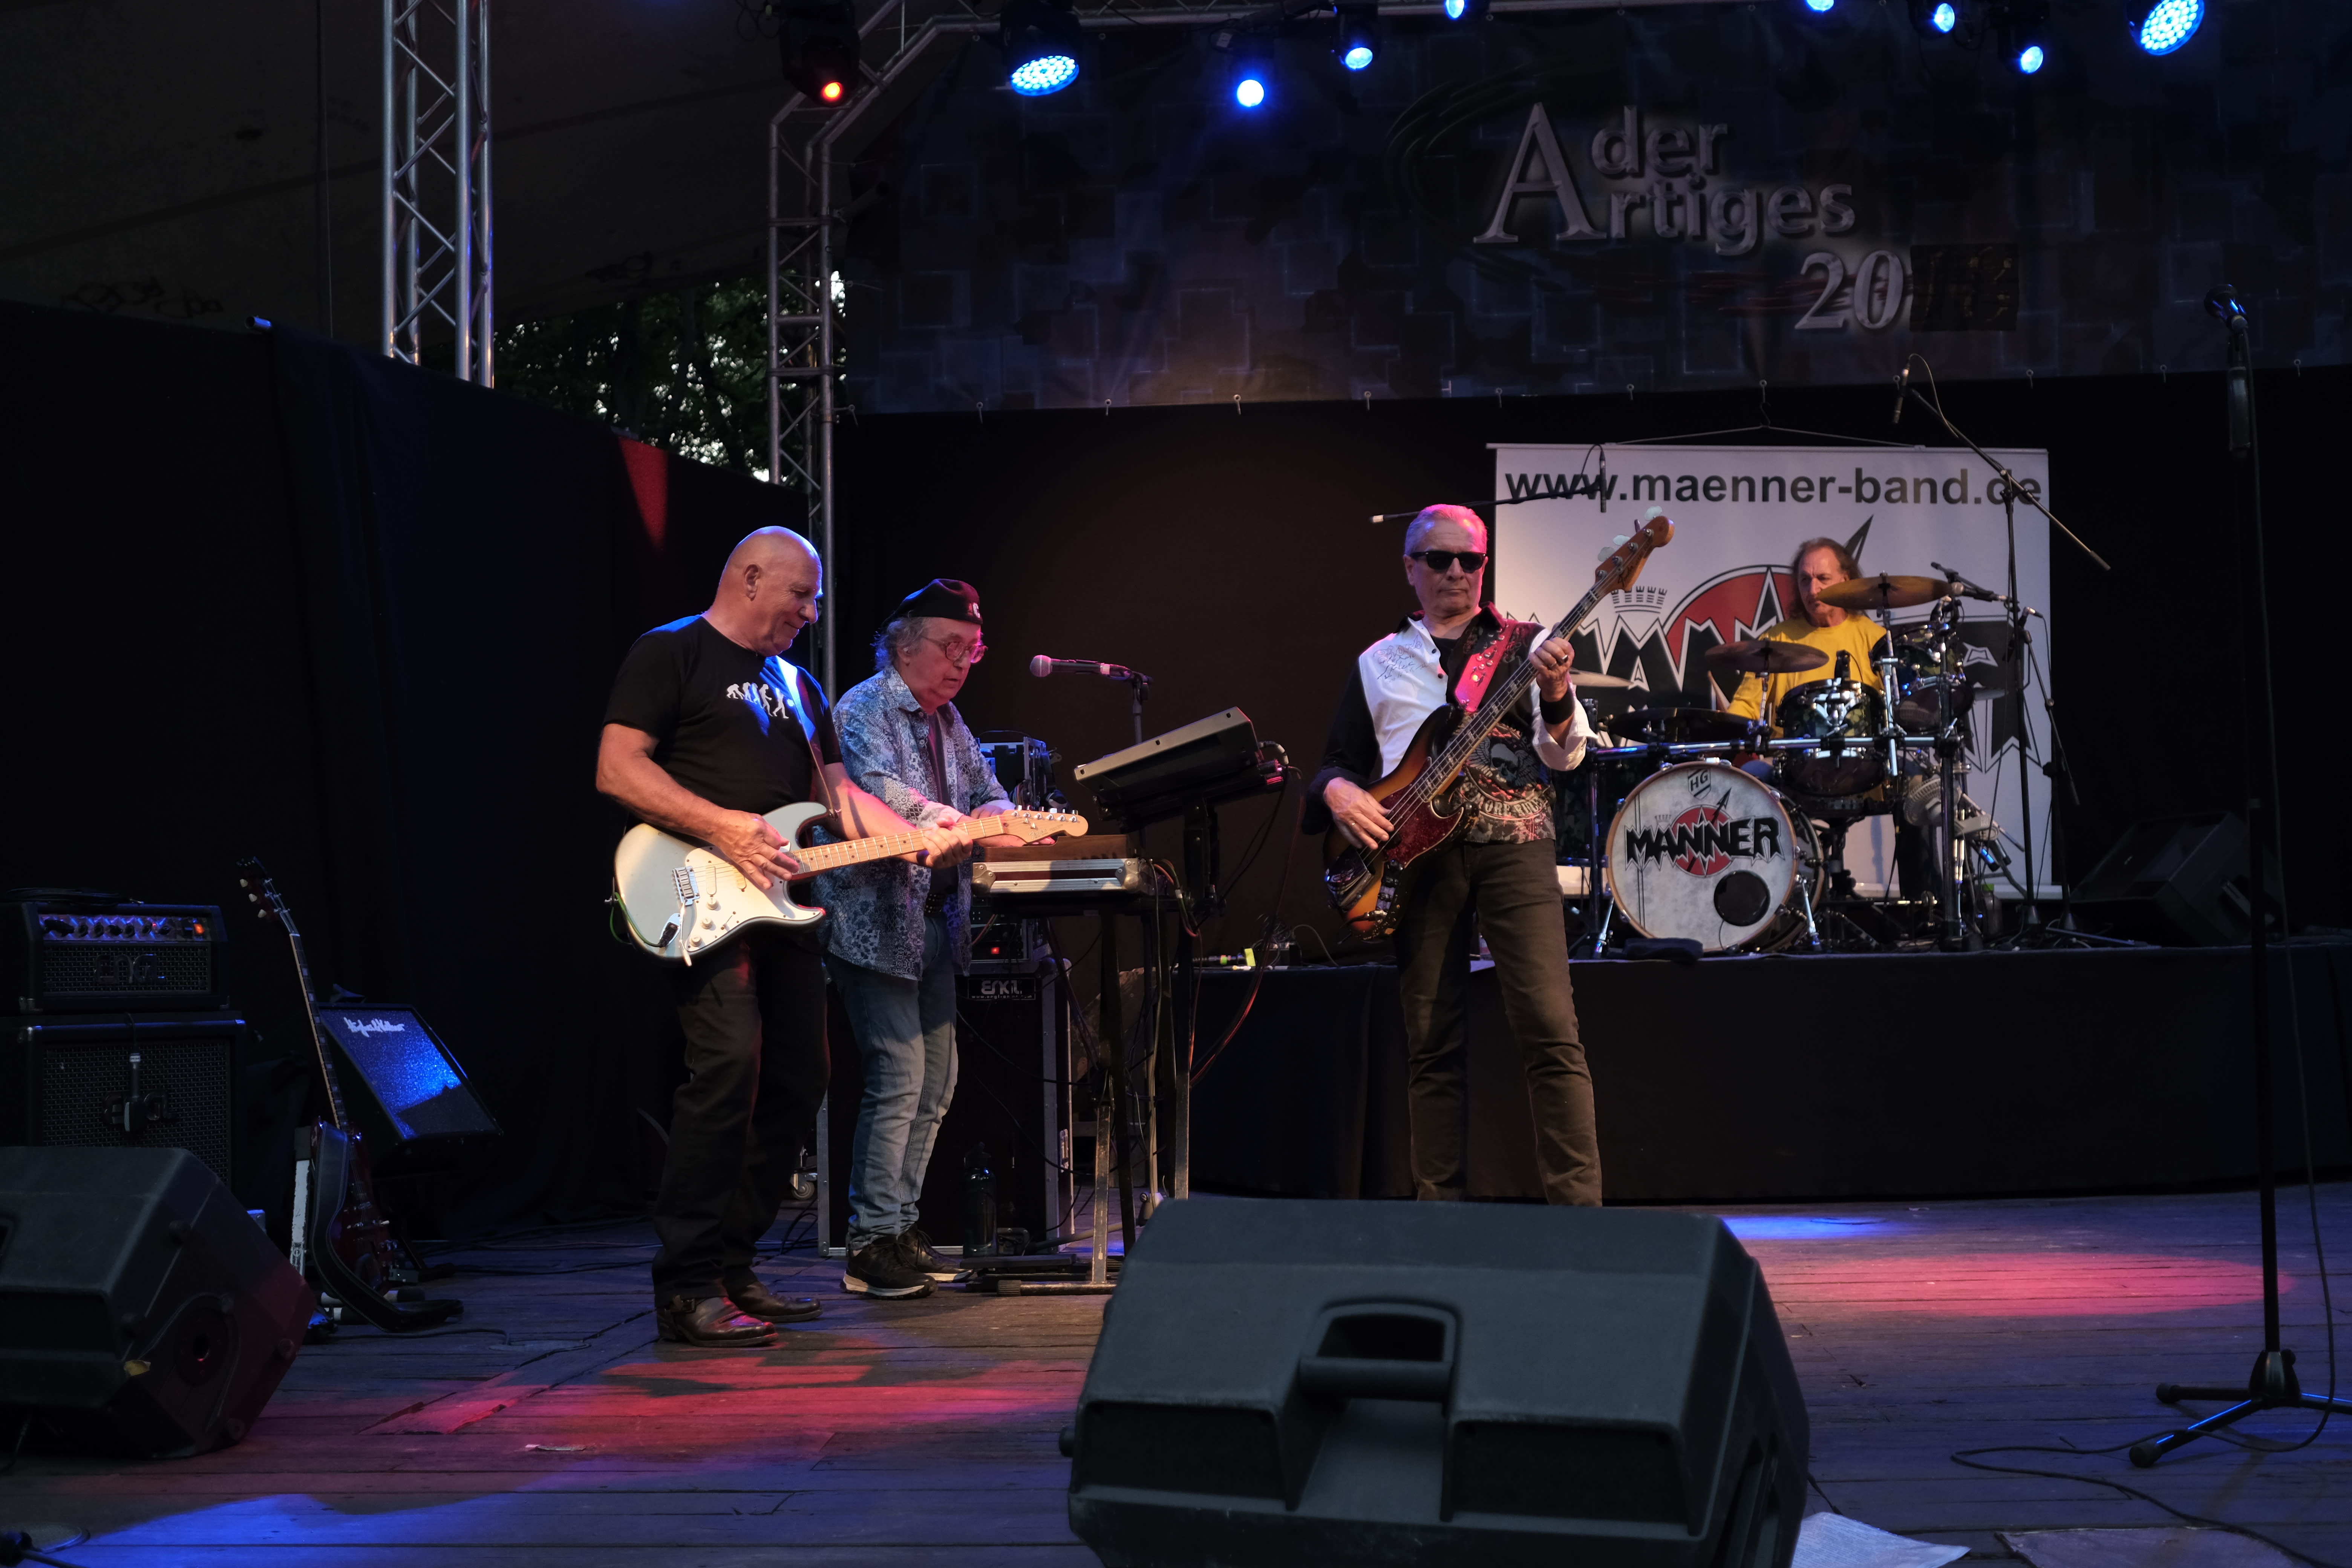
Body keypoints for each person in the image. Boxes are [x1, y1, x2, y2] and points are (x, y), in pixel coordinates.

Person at [597, 528, 958, 1345]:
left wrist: (922, 835)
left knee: (801, 1079)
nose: (812, 612)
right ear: (751, 578)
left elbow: (840, 799)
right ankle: (686, 1285)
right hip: (696, 889)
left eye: (816, 598)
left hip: (784, 900)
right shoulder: (671, 652)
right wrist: (723, 826)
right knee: (729, 1065)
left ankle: (733, 1265)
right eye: (802, 594)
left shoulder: (799, 686)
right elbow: (617, 768)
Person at [1307, 504, 1605, 1207]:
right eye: (1439, 559)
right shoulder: (1379, 662)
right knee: (1431, 1042)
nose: (1456, 572)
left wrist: (1556, 691)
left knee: (1551, 1031)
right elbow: (1337, 762)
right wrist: (1339, 792)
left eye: (1470, 560)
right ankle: (1439, 1216)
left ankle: (1582, 1218)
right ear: (1410, 568)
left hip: (1516, 847)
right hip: (1417, 861)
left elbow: (1567, 755)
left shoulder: (1529, 645)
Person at [819, 579, 1030, 1299]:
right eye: (951, 647)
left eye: (973, 650)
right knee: (900, 1077)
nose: (962, 663)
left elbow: (987, 789)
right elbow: (876, 794)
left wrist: (996, 815)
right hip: (875, 924)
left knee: (936, 1083)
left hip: (937, 922)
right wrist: (953, 819)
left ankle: (902, 1227)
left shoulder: (949, 721)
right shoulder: (864, 708)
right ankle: (871, 1240)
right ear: (905, 645)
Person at [1722, 537, 1890, 723]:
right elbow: (1746, 706)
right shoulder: (1777, 639)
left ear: (1845, 580)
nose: (1813, 590)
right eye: (1805, 580)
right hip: (1792, 742)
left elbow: (1896, 707)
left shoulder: (1876, 639)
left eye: (1823, 579)